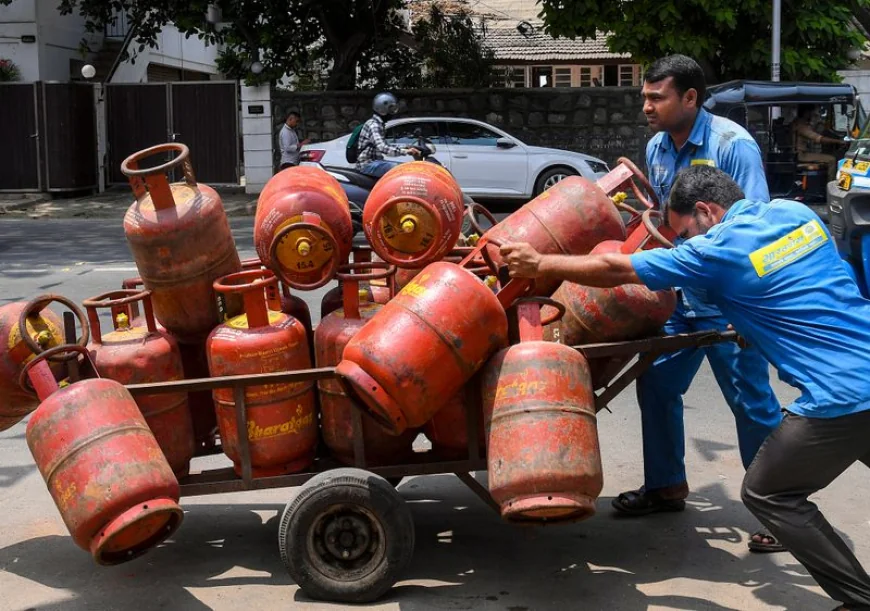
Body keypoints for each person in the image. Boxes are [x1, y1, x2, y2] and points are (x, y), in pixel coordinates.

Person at [500, 164, 870, 611]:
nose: (683, 244)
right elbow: (809, 284)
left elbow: (615, 267)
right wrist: (753, 317)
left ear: (706, 212)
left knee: (768, 492)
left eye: (683, 234)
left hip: (842, 395)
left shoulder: (717, 249)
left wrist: (539, 264)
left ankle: (858, 600)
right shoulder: (796, 216)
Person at [614, 54, 784, 553]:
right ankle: (666, 485)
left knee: (752, 403)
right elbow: (665, 221)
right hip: (679, 297)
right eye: (644, 96)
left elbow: (752, 230)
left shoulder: (735, 147)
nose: (646, 105)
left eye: (656, 97)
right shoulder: (657, 147)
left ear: (690, 98)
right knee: (656, 384)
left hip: (730, 299)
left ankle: (777, 510)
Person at [356, 92, 419, 177]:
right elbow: (383, 148)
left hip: (376, 163)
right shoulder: (374, 125)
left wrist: (406, 147)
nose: (393, 112)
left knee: (403, 166)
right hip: (367, 165)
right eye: (391, 109)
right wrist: (406, 151)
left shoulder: (379, 124)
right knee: (400, 170)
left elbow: (386, 145)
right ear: (382, 109)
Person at [792, 105, 846, 181]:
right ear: (806, 113)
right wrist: (839, 141)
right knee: (832, 159)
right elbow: (818, 138)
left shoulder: (800, 123)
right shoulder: (800, 125)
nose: (812, 115)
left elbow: (816, 133)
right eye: (812, 113)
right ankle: (830, 184)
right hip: (800, 155)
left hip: (800, 153)